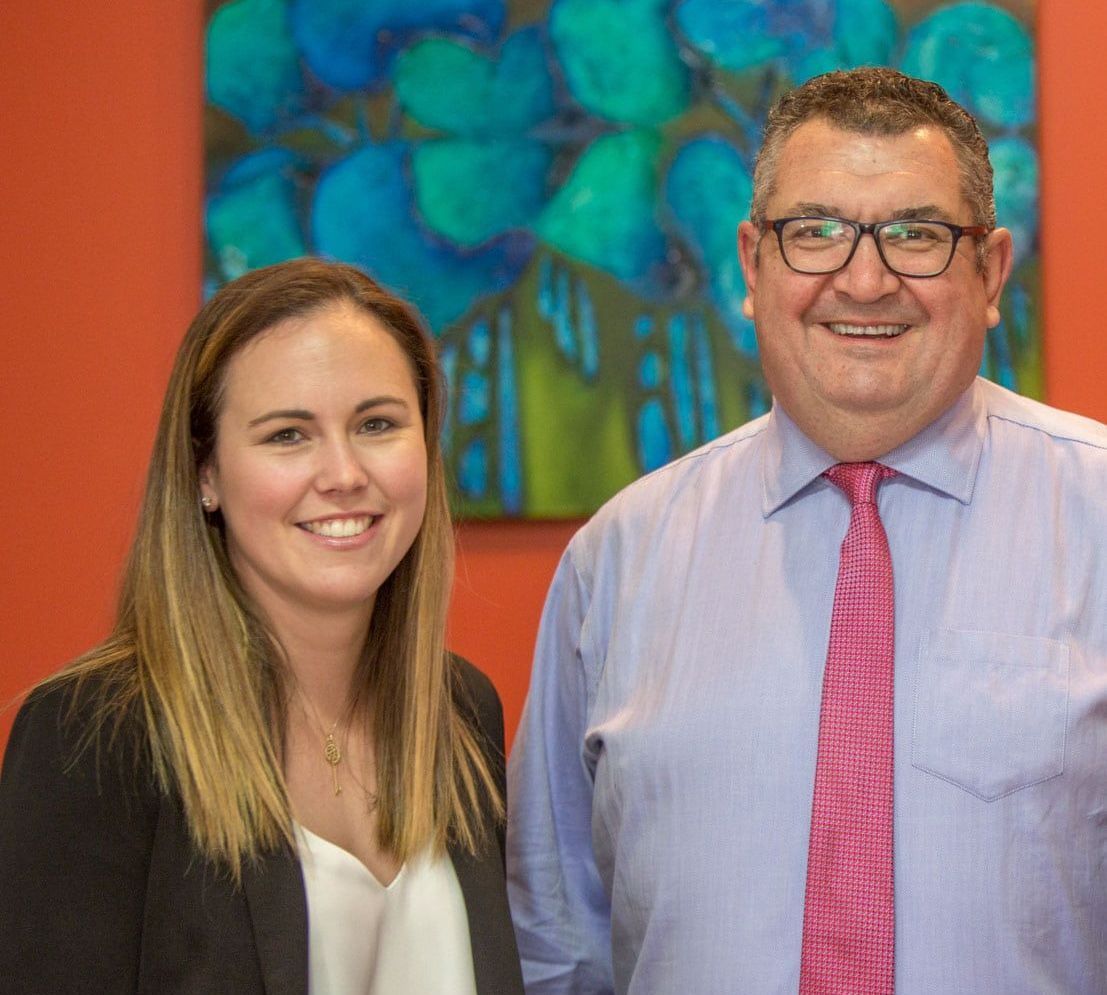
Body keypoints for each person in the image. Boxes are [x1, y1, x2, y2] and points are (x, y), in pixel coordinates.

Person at [507, 67, 1107, 993]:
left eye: (915, 234)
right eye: (815, 231)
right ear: (752, 266)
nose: (863, 281)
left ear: (989, 273)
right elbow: (553, 941)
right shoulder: (619, 556)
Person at [0, 258, 525, 994]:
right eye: (287, 435)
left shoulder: (461, 711)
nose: (344, 474)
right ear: (206, 474)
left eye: (376, 424)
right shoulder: (95, 736)